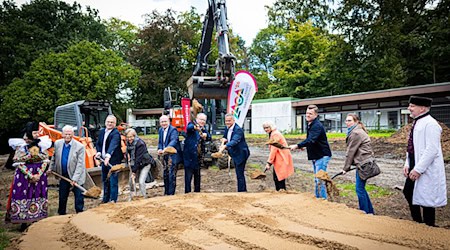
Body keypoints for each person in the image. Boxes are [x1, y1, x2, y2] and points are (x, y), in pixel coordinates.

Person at [403, 96, 447, 227]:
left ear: (422, 108)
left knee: (427, 198)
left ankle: (429, 226)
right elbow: (412, 146)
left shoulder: (431, 124)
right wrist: (407, 163)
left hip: (425, 167)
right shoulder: (418, 122)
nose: (409, 108)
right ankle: (418, 222)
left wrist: (418, 169)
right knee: (409, 191)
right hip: (414, 163)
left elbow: (432, 149)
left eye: (412, 106)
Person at [5, 122, 51, 230]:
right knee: (24, 194)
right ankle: (23, 221)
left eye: (37, 132)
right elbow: (18, 162)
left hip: (39, 174)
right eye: (34, 132)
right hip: (24, 176)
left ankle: (37, 219)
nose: (36, 135)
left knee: (38, 194)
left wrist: (38, 175)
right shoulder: (21, 145)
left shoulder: (42, 144)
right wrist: (30, 175)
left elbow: (45, 159)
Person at [289, 105, 332, 199]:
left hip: (322, 155)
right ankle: (318, 199)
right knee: (317, 179)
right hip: (316, 155)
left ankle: (323, 201)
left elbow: (311, 140)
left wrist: (297, 146)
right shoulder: (311, 124)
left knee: (319, 179)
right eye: (307, 113)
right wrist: (304, 146)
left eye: (310, 113)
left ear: (316, 115)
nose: (307, 115)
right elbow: (311, 140)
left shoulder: (316, 126)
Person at [341, 114, 374, 214]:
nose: (347, 123)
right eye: (346, 120)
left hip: (364, 164)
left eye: (349, 120)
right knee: (361, 188)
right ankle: (370, 211)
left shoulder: (356, 133)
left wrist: (345, 168)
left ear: (356, 122)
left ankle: (364, 212)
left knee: (359, 189)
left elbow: (351, 152)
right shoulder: (357, 131)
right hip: (363, 163)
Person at [49, 125, 86, 215]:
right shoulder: (58, 143)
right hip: (63, 175)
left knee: (78, 197)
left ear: (73, 134)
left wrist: (75, 179)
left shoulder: (80, 147)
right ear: (62, 134)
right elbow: (54, 157)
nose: (67, 136)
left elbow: (80, 165)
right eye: (66, 134)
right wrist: (51, 168)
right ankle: (61, 214)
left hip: (76, 176)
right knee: (62, 196)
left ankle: (80, 213)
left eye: (70, 134)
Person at [95, 115, 123, 203]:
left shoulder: (116, 133)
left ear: (115, 124)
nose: (109, 124)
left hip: (113, 161)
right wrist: (99, 152)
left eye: (112, 122)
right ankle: (105, 199)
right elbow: (99, 143)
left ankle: (113, 200)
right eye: (108, 122)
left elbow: (113, 145)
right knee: (105, 180)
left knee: (113, 181)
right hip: (104, 160)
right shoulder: (102, 131)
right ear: (105, 122)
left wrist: (108, 156)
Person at [219, 114, 250, 192]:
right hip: (234, 153)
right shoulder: (227, 128)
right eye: (226, 121)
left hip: (241, 154)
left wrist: (225, 146)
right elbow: (225, 136)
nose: (227, 122)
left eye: (229, 121)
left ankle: (242, 191)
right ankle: (241, 190)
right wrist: (223, 139)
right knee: (238, 172)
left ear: (233, 120)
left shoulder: (238, 130)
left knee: (240, 173)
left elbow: (234, 141)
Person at [183, 113, 211, 193]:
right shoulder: (192, 125)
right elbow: (189, 128)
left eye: (204, 120)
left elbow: (209, 137)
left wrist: (206, 135)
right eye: (201, 119)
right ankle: (187, 193)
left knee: (197, 176)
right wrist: (196, 127)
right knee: (188, 177)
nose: (202, 121)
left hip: (198, 157)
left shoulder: (204, 129)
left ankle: (197, 193)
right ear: (197, 119)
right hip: (189, 156)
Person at [263, 121, 294, 191]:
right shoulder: (273, 133)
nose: (266, 129)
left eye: (267, 127)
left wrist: (269, 163)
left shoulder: (275, 134)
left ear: (271, 126)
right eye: (264, 128)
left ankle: (281, 193)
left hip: (282, 157)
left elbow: (274, 149)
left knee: (279, 177)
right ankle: (280, 193)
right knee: (278, 177)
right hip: (280, 157)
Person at [125, 128, 154, 198]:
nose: (129, 139)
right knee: (131, 182)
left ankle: (143, 197)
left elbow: (138, 159)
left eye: (131, 137)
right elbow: (128, 154)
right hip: (135, 163)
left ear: (134, 136)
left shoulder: (140, 144)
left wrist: (134, 172)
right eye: (128, 137)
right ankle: (132, 197)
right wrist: (127, 158)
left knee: (141, 181)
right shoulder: (128, 143)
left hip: (145, 163)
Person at [158, 115, 182, 195]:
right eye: (162, 122)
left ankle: (171, 193)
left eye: (165, 121)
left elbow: (174, 141)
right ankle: (166, 192)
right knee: (165, 173)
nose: (164, 123)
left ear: (169, 122)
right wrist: (160, 149)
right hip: (165, 155)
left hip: (173, 155)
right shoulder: (161, 130)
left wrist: (167, 148)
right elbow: (160, 142)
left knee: (172, 174)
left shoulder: (173, 130)